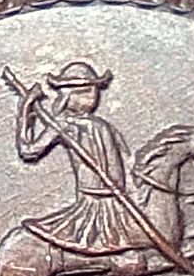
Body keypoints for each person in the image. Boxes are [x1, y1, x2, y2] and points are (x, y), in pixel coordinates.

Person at [16, 61, 143, 255]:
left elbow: (127, 159)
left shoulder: (102, 125)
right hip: (93, 203)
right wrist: (26, 109)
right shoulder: (63, 124)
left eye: (94, 90)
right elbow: (28, 151)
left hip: (120, 199)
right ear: (70, 94)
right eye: (87, 91)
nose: (93, 96)